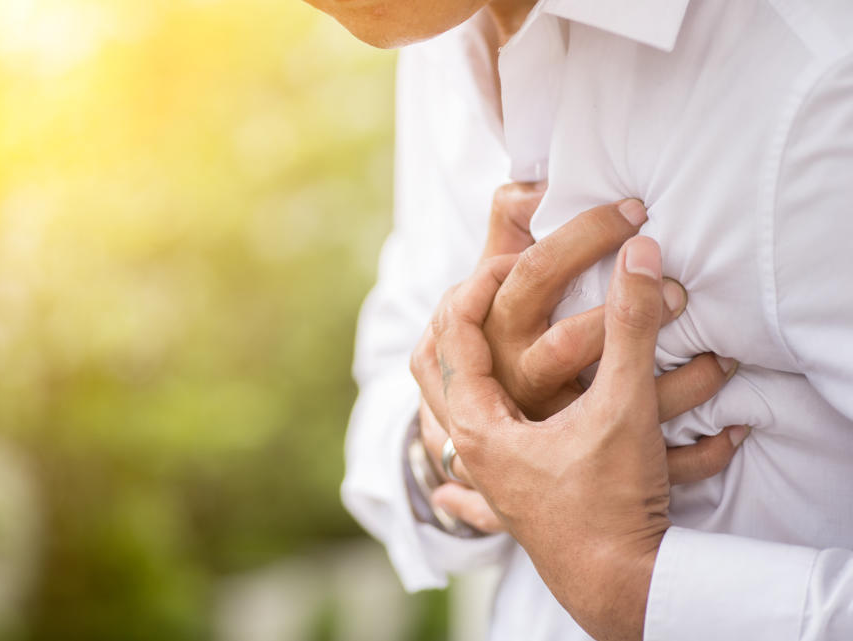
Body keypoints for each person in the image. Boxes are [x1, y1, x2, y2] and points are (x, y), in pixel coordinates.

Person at [305, 0, 853, 638]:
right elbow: (383, 395)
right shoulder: (435, 34)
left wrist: (636, 589)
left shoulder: (816, 79)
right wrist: (462, 440)